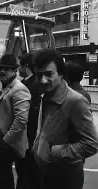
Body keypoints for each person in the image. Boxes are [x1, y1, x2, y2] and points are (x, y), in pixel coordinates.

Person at [32, 49, 98, 189]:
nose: (43, 80)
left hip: (66, 177)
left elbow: (91, 144)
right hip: (45, 173)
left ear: (61, 74)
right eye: (39, 75)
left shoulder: (75, 101)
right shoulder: (45, 95)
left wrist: (55, 152)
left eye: (49, 74)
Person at [0, 54, 31, 189]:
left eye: (7, 69)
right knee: (2, 177)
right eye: (0, 68)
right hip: (4, 140)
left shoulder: (19, 89)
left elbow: (21, 120)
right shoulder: (7, 86)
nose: (2, 71)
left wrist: (6, 140)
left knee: (3, 178)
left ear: (15, 71)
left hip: (12, 143)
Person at [18, 53, 42, 189]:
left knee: (30, 173)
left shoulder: (34, 84)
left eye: (19, 65)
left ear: (26, 66)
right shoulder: (26, 83)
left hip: (29, 136)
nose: (18, 69)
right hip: (26, 136)